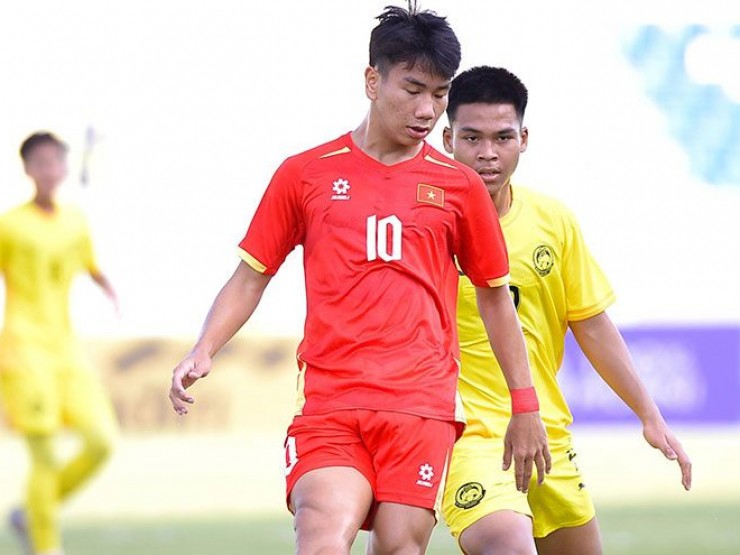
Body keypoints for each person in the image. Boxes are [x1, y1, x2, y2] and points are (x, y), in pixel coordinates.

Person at [168, 5, 550, 554]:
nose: (427, 110)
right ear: (373, 81)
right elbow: (251, 276)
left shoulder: (460, 187)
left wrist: (524, 403)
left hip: (421, 406)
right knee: (322, 533)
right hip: (331, 402)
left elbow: (494, 299)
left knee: (399, 547)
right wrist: (204, 347)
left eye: (439, 94)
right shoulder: (305, 173)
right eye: (413, 89)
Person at [440, 65, 693, 555]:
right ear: (448, 139)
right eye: (472, 138)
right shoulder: (427, 225)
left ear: (523, 139)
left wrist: (650, 415)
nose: (488, 153)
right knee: (508, 545)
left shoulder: (552, 220)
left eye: (502, 137)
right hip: (466, 437)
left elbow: (591, 324)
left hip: (544, 433)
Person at [0, 132, 119, 555]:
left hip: (67, 352)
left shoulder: (75, 221)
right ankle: (47, 546)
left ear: (66, 167)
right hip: (23, 353)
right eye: (41, 162)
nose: (49, 170)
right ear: (28, 169)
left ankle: (31, 513)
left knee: (102, 441)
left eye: (56, 161)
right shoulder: (10, 225)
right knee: (45, 459)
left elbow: (88, 263)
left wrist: (108, 286)